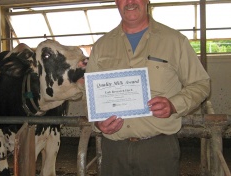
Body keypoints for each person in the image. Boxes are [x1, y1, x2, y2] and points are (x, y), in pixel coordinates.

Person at [82, 0, 210, 176]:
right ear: (116, 2)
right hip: (113, 151)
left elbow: (201, 83)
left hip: (158, 150)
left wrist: (174, 105)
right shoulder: (101, 46)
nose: (130, 2)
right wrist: (97, 122)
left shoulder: (175, 41)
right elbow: (89, 96)